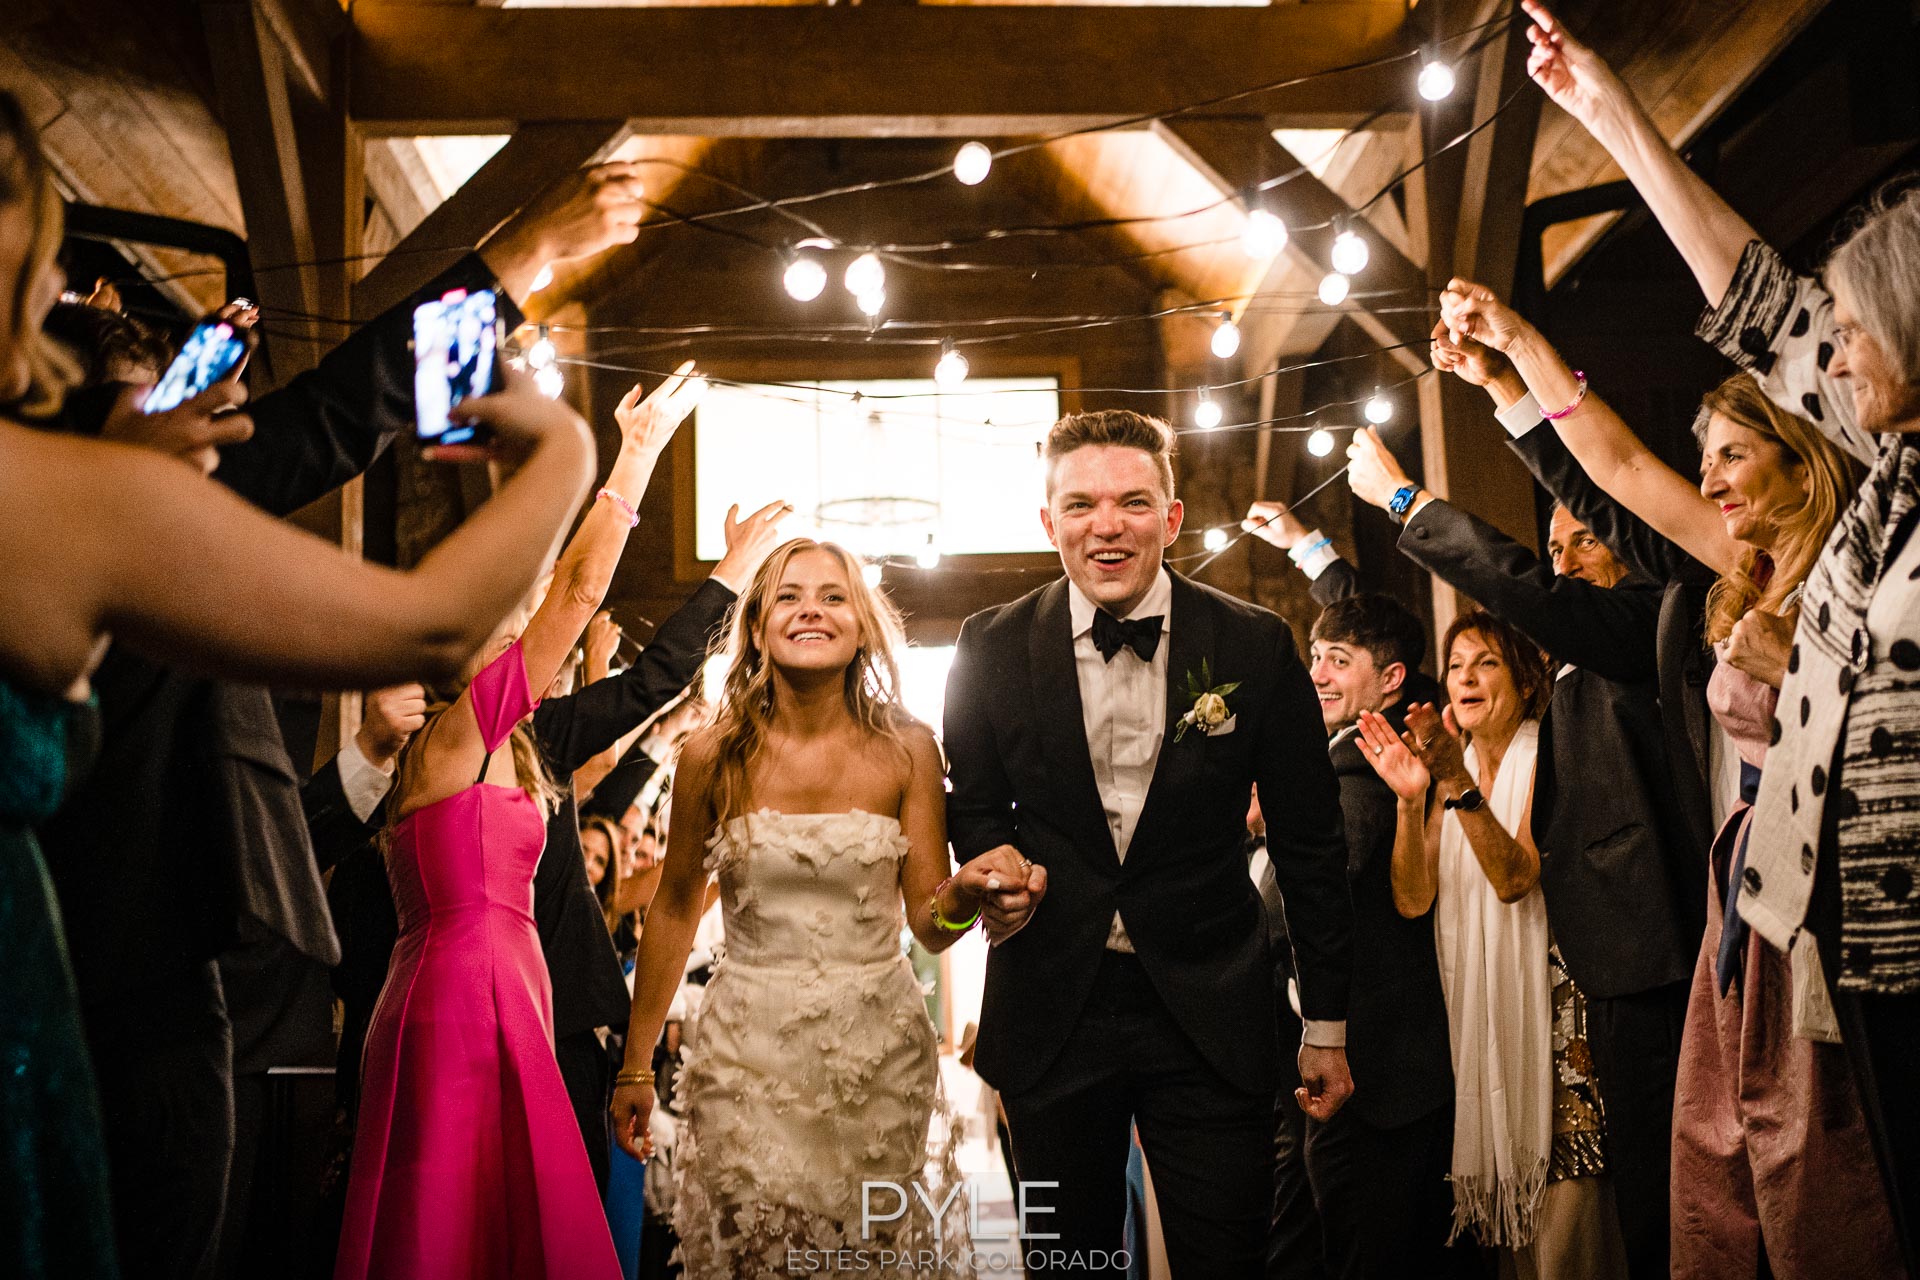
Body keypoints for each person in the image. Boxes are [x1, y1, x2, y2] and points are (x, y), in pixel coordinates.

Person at [0, 91, 598, 1280]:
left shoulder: (82, 478)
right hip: (99, 986)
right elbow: (420, 597)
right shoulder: (57, 496)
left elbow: (309, 425)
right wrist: (570, 453)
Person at [1516, 4, 1920, 1265]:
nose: (1835, 347)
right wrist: (1610, 116)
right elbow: (1760, 300)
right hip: (1821, 935)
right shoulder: (1892, 478)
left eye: (1857, 325)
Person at [1436, 250, 1902, 1274]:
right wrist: (1511, 358)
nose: (1710, 478)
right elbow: (1620, 471)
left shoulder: (1860, 568)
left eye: (1736, 453)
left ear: (1801, 456)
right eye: (1711, 458)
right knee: (1730, 1189)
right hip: (1742, 899)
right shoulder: (1740, 574)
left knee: (1840, 1181)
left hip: (1846, 895)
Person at [943, 408, 1356, 1275]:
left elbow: (1312, 843)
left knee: (1228, 1263)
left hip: (1212, 1010)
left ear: (1170, 519)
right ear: (1048, 521)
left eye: (1133, 502)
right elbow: (974, 808)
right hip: (1055, 1008)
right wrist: (999, 869)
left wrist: (1326, 1023)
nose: (1107, 525)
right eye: (1081, 504)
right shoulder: (989, 645)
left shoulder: (1252, 641)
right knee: (1069, 1264)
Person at [331, 365, 708, 1280]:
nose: (524, 626)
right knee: (467, 1216)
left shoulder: (482, 744)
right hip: (469, 987)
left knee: (491, 1219)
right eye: (506, 617)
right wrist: (636, 458)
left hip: (484, 977)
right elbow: (575, 597)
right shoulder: (457, 735)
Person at [1316, 416, 1706, 1278]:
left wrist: (1406, 501)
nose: (1563, 557)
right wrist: (1425, 797)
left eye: (1582, 540)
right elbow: (1413, 900)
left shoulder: (1622, 644)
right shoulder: (1468, 741)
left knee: (1621, 1209)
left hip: (1616, 965)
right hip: (1493, 1004)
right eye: (1554, 542)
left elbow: (1519, 874)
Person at [610, 538, 997, 1276]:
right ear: (755, 626)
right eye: (788, 596)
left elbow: (929, 923)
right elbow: (673, 908)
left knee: (866, 1254)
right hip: (746, 1056)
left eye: (832, 595)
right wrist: (634, 1067)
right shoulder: (709, 755)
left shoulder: (910, 749)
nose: (810, 609)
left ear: (862, 625)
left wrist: (966, 899)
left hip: (875, 1053)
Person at [1358, 612, 1625, 1278]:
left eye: (1487, 664)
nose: (1466, 678)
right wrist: (1409, 798)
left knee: (1572, 1218)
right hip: (1484, 1016)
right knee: (1517, 1247)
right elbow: (1414, 899)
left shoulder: (1549, 753)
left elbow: (1513, 878)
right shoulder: (1454, 765)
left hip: (1557, 1011)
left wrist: (1456, 782)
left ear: (1526, 681)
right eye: (1456, 666)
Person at [1280, 592, 1461, 1280]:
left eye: (1338, 660)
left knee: (1366, 1248)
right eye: (1315, 657)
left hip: (1380, 1064)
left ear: (1391, 679)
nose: (1318, 674)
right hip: (1383, 1062)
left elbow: (1338, 876)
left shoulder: (1360, 759)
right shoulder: (1347, 748)